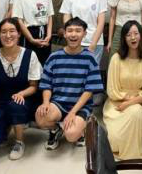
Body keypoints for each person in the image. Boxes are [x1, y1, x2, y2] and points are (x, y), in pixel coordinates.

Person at [36, 17, 103, 150]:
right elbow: (46, 84)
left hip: (81, 106)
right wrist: (46, 103)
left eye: (78, 31)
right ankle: (55, 129)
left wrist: (73, 112)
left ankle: (82, 127)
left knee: (71, 135)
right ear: (64, 34)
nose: (73, 34)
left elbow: (89, 90)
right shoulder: (54, 57)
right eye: (70, 31)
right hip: (58, 103)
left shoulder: (90, 58)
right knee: (41, 117)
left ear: (84, 34)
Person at [0, 18, 42, 159]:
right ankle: (7, 124)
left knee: (16, 105)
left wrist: (22, 93)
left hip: (24, 102)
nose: (8, 35)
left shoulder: (30, 55)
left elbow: (34, 86)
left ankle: (19, 142)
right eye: (3, 32)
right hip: (1, 104)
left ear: (19, 34)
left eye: (12, 31)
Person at [103, 20, 142, 160]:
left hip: (137, 102)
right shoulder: (116, 59)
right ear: (123, 38)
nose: (133, 37)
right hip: (116, 103)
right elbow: (112, 89)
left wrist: (129, 103)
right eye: (128, 35)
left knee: (136, 112)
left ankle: (132, 155)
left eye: (136, 33)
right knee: (114, 141)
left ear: (141, 35)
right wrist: (125, 99)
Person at [59, 0, 107, 66]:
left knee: (91, 72)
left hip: (95, 43)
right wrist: (71, 39)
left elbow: (101, 23)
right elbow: (67, 21)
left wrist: (93, 44)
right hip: (74, 42)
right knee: (75, 71)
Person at [12, 0, 53, 66]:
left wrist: (48, 35)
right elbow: (19, 20)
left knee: (45, 65)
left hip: (45, 34)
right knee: (29, 66)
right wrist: (31, 39)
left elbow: (49, 16)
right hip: (29, 34)